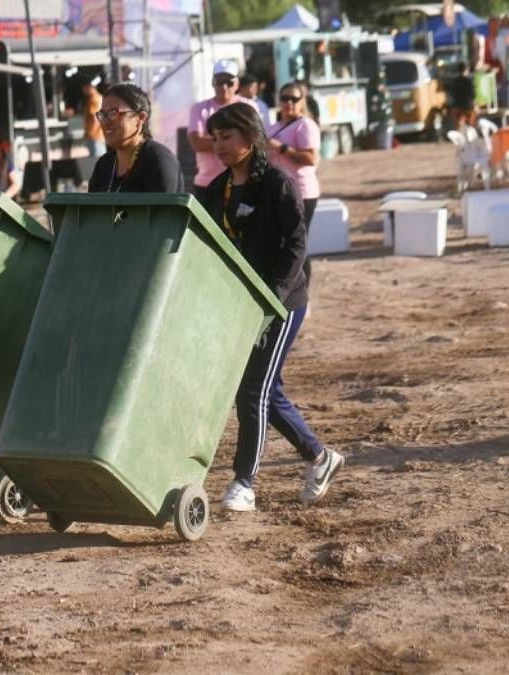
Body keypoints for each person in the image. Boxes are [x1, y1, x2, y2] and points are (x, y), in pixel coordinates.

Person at [198, 102, 343, 512]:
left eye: (226, 137)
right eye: (215, 138)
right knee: (265, 391)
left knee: (253, 392)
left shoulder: (278, 184)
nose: (219, 145)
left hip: (281, 303)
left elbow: (296, 244)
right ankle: (319, 457)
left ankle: (244, 482)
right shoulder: (217, 190)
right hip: (241, 305)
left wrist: (275, 297)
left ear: (251, 138)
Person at [86, 83, 183, 193]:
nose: (105, 121)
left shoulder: (158, 161)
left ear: (140, 118)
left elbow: (164, 209)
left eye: (114, 113)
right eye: (103, 114)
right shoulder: (104, 165)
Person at [188, 60, 259, 197]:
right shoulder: (199, 108)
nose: (224, 87)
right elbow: (196, 143)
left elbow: (255, 139)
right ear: (212, 83)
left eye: (229, 82)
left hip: (243, 180)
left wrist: (214, 140)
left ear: (237, 84)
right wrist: (235, 141)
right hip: (207, 182)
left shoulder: (249, 107)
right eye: (219, 82)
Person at [267, 82, 322, 229]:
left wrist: (280, 147)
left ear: (301, 102)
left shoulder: (305, 125)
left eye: (294, 99)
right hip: (278, 191)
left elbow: (311, 159)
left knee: (295, 243)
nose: (289, 102)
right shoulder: (274, 127)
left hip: (300, 192)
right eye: (284, 98)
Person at [80, 81, 106, 157]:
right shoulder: (100, 97)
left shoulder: (93, 100)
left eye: (84, 88)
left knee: (96, 159)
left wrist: (89, 133)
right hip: (100, 135)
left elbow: (95, 118)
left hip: (95, 136)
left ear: (90, 87)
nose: (83, 91)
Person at [449, 62, 476, 130]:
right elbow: (473, 94)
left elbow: (451, 93)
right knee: (470, 126)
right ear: (466, 70)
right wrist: (475, 105)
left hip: (456, 106)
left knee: (458, 126)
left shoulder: (454, 81)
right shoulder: (469, 81)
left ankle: (458, 137)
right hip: (468, 106)